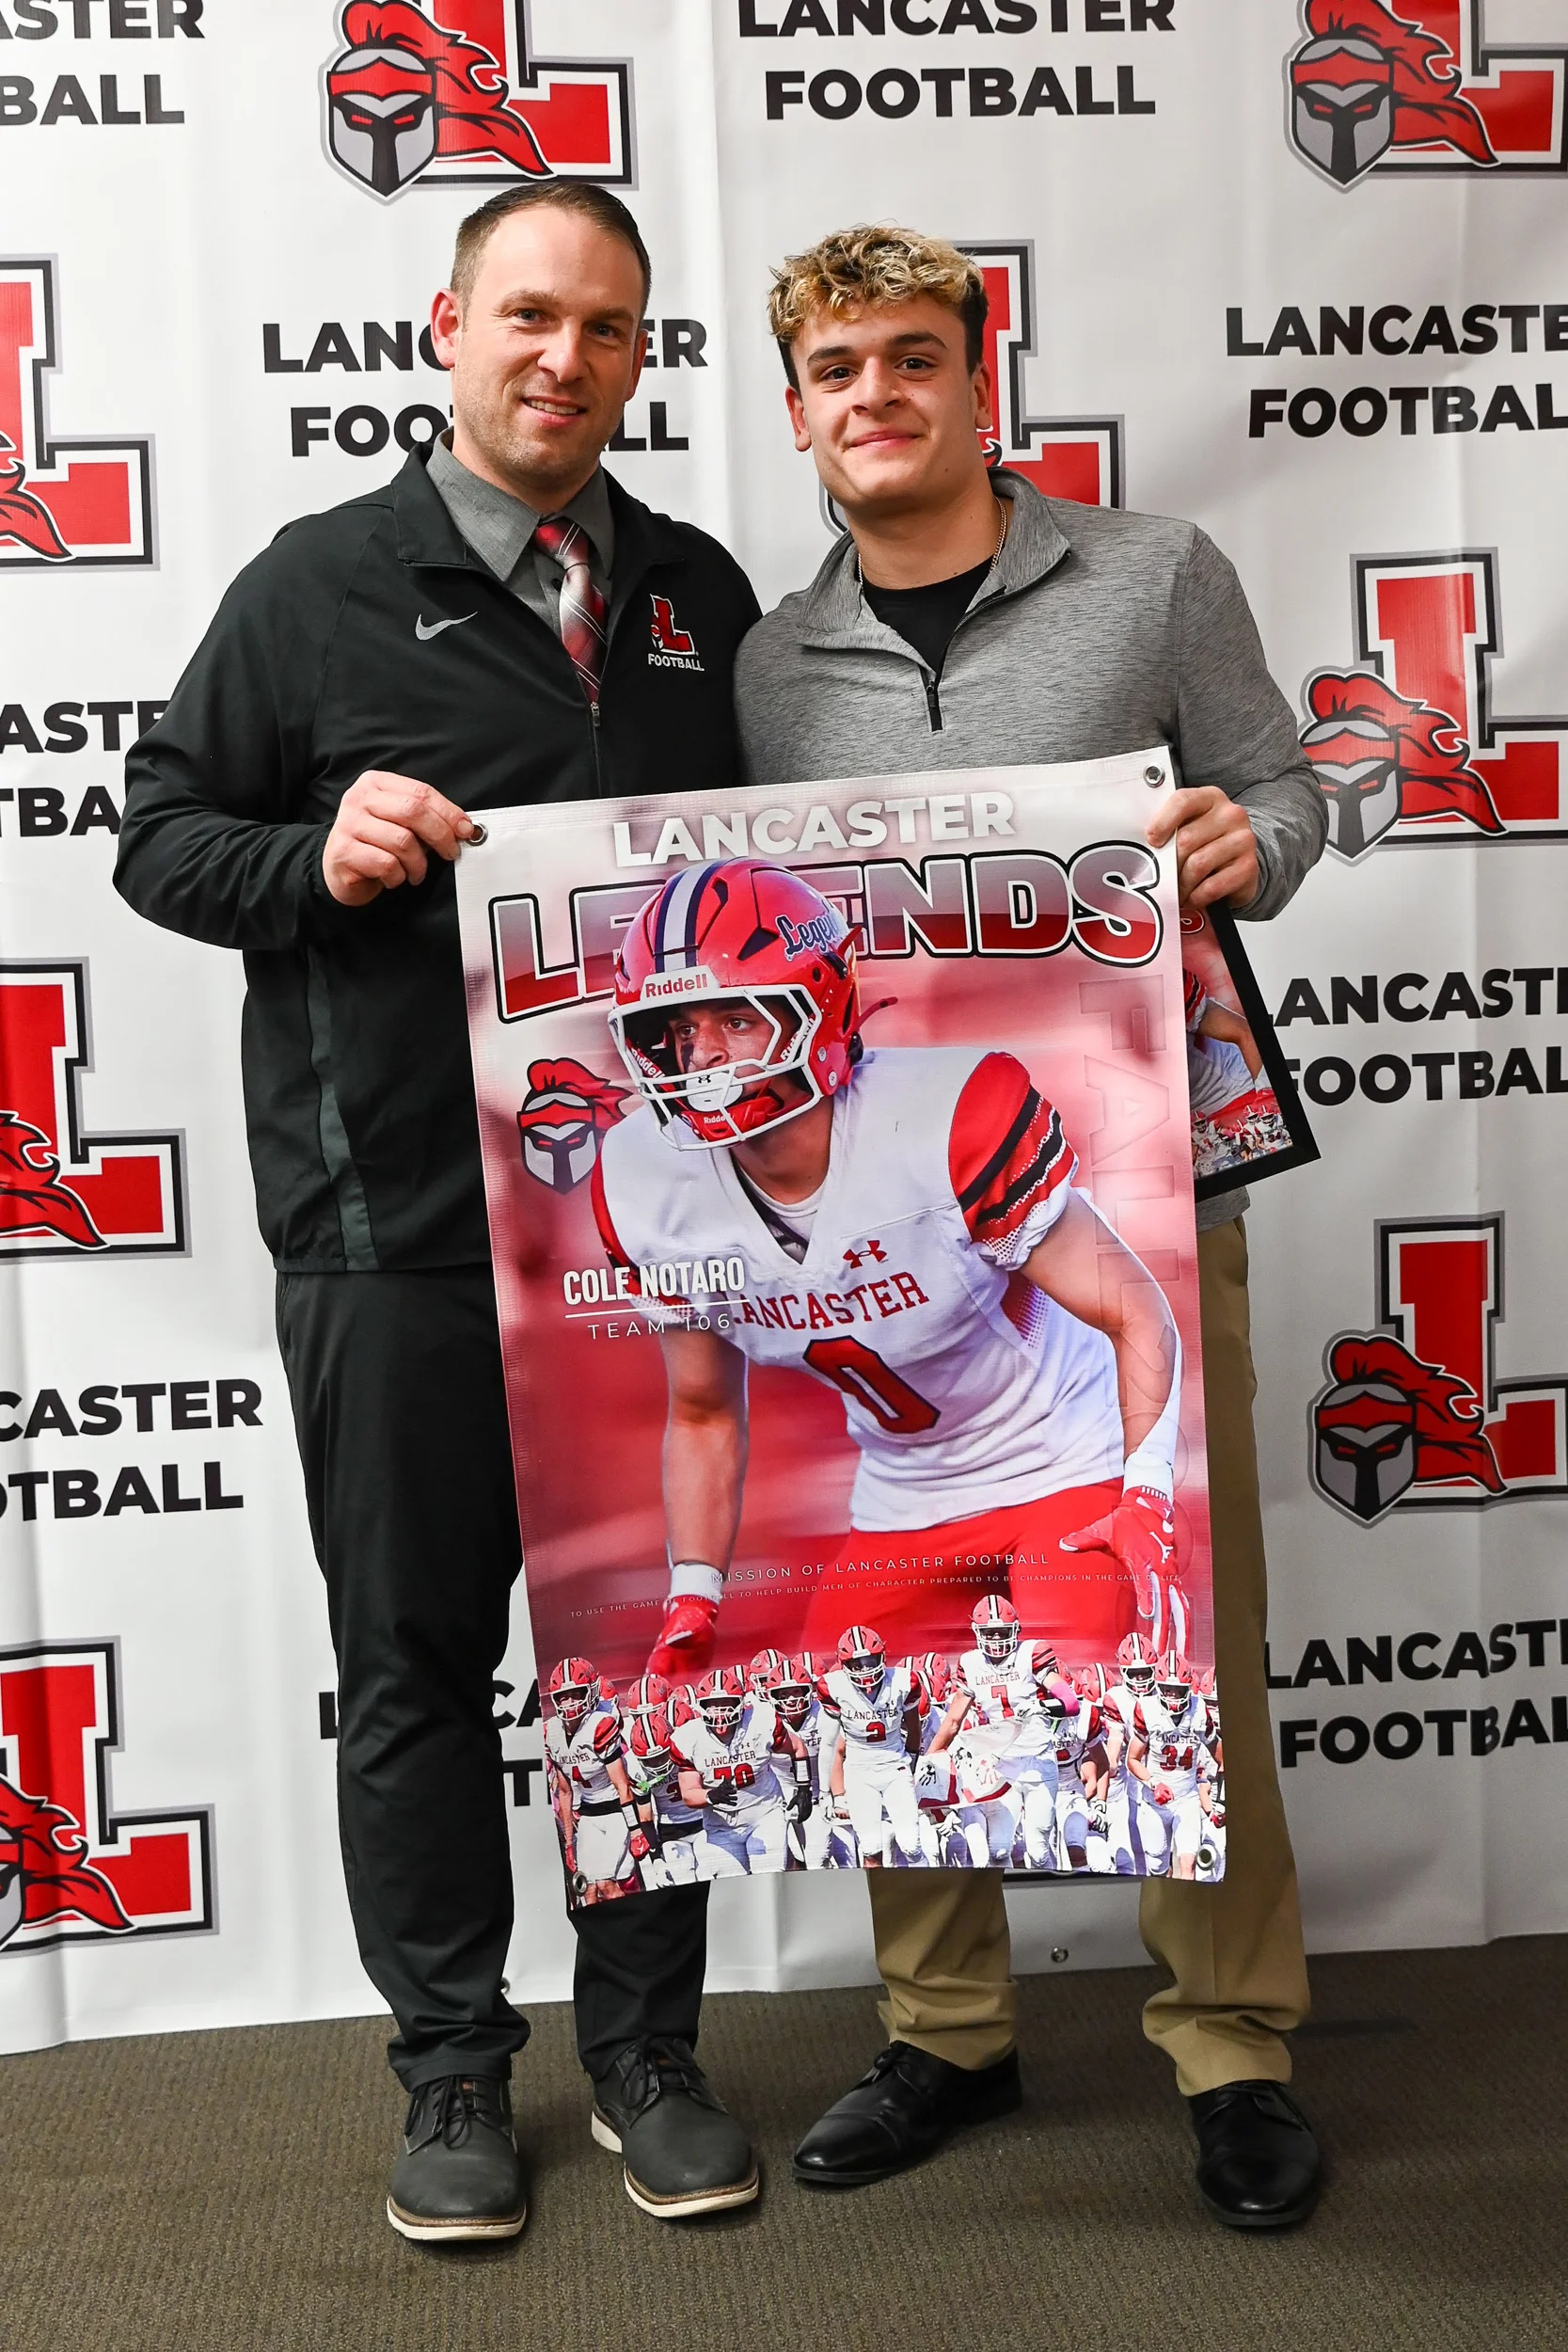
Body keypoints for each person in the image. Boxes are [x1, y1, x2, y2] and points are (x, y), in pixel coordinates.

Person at [114, 183, 763, 2240]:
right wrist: (316, 854)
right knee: (412, 1660)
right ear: (447, 326)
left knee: (646, 1653)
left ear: (637, 357)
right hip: (390, 1226)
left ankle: (648, 2053)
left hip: (651, 1229)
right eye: (527, 316)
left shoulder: (693, 590)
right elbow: (158, 836)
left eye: (605, 328)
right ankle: (455, 2068)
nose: (563, 358)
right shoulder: (316, 583)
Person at [733, 224, 1326, 2230]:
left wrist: (1256, 839)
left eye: (913, 355)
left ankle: (1229, 2043)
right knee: (899, 1616)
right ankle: (944, 2030)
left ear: (979, 379)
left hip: (1140, 1180)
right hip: (889, 1213)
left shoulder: (1151, 572)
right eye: (836, 368)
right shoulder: (768, 661)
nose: (876, 393)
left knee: (1179, 1611)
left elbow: (1281, 786)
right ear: (796, 412)